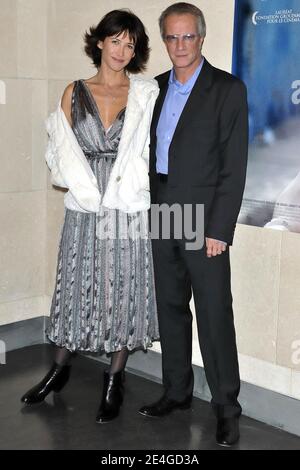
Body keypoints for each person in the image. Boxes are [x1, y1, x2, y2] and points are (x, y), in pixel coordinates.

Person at [21, 9, 160, 424]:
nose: (122, 50)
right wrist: (87, 191)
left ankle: (115, 379)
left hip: (126, 206)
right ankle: (59, 369)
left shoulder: (144, 93)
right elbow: (59, 153)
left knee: (122, 286)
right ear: (99, 42)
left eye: (130, 44)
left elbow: (150, 151)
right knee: (76, 284)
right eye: (115, 40)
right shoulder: (73, 91)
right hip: (85, 206)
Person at [139, 3, 248, 447]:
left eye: (188, 37)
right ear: (163, 41)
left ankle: (226, 407)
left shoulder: (227, 89)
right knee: (170, 306)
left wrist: (219, 229)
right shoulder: (154, 89)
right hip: (162, 210)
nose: (180, 46)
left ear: (201, 39)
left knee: (213, 313)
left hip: (204, 221)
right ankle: (177, 392)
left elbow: (233, 165)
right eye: (171, 37)